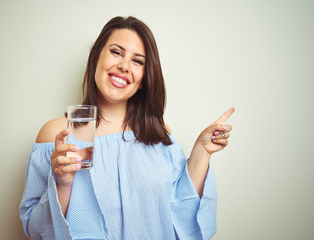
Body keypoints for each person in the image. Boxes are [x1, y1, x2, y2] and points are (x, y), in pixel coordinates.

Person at [19, 16, 234, 240]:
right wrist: (62, 184)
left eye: (137, 61)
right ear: (96, 58)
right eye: (116, 52)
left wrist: (202, 151)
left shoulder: (157, 132)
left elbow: (181, 213)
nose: (124, 66)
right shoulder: (56, 135)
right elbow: (36, 230)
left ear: (143, 79)